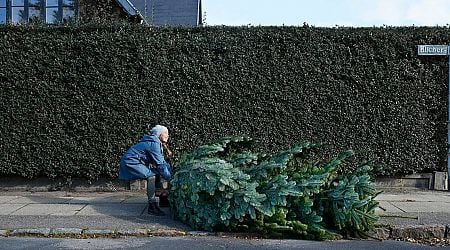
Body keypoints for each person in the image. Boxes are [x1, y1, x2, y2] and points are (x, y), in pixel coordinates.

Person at [119, 125, 172, 216]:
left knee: (157, 172)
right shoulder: (154, 144)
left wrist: (170, 172)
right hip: (131, 162)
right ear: (159, 134)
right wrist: (170, 178)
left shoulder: (155, 142)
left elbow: (162, 163)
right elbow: (160, 164)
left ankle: (163, 199)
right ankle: (152, 206)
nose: (168, 135)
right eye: (166, 133)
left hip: (134, 161)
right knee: (151, 176)